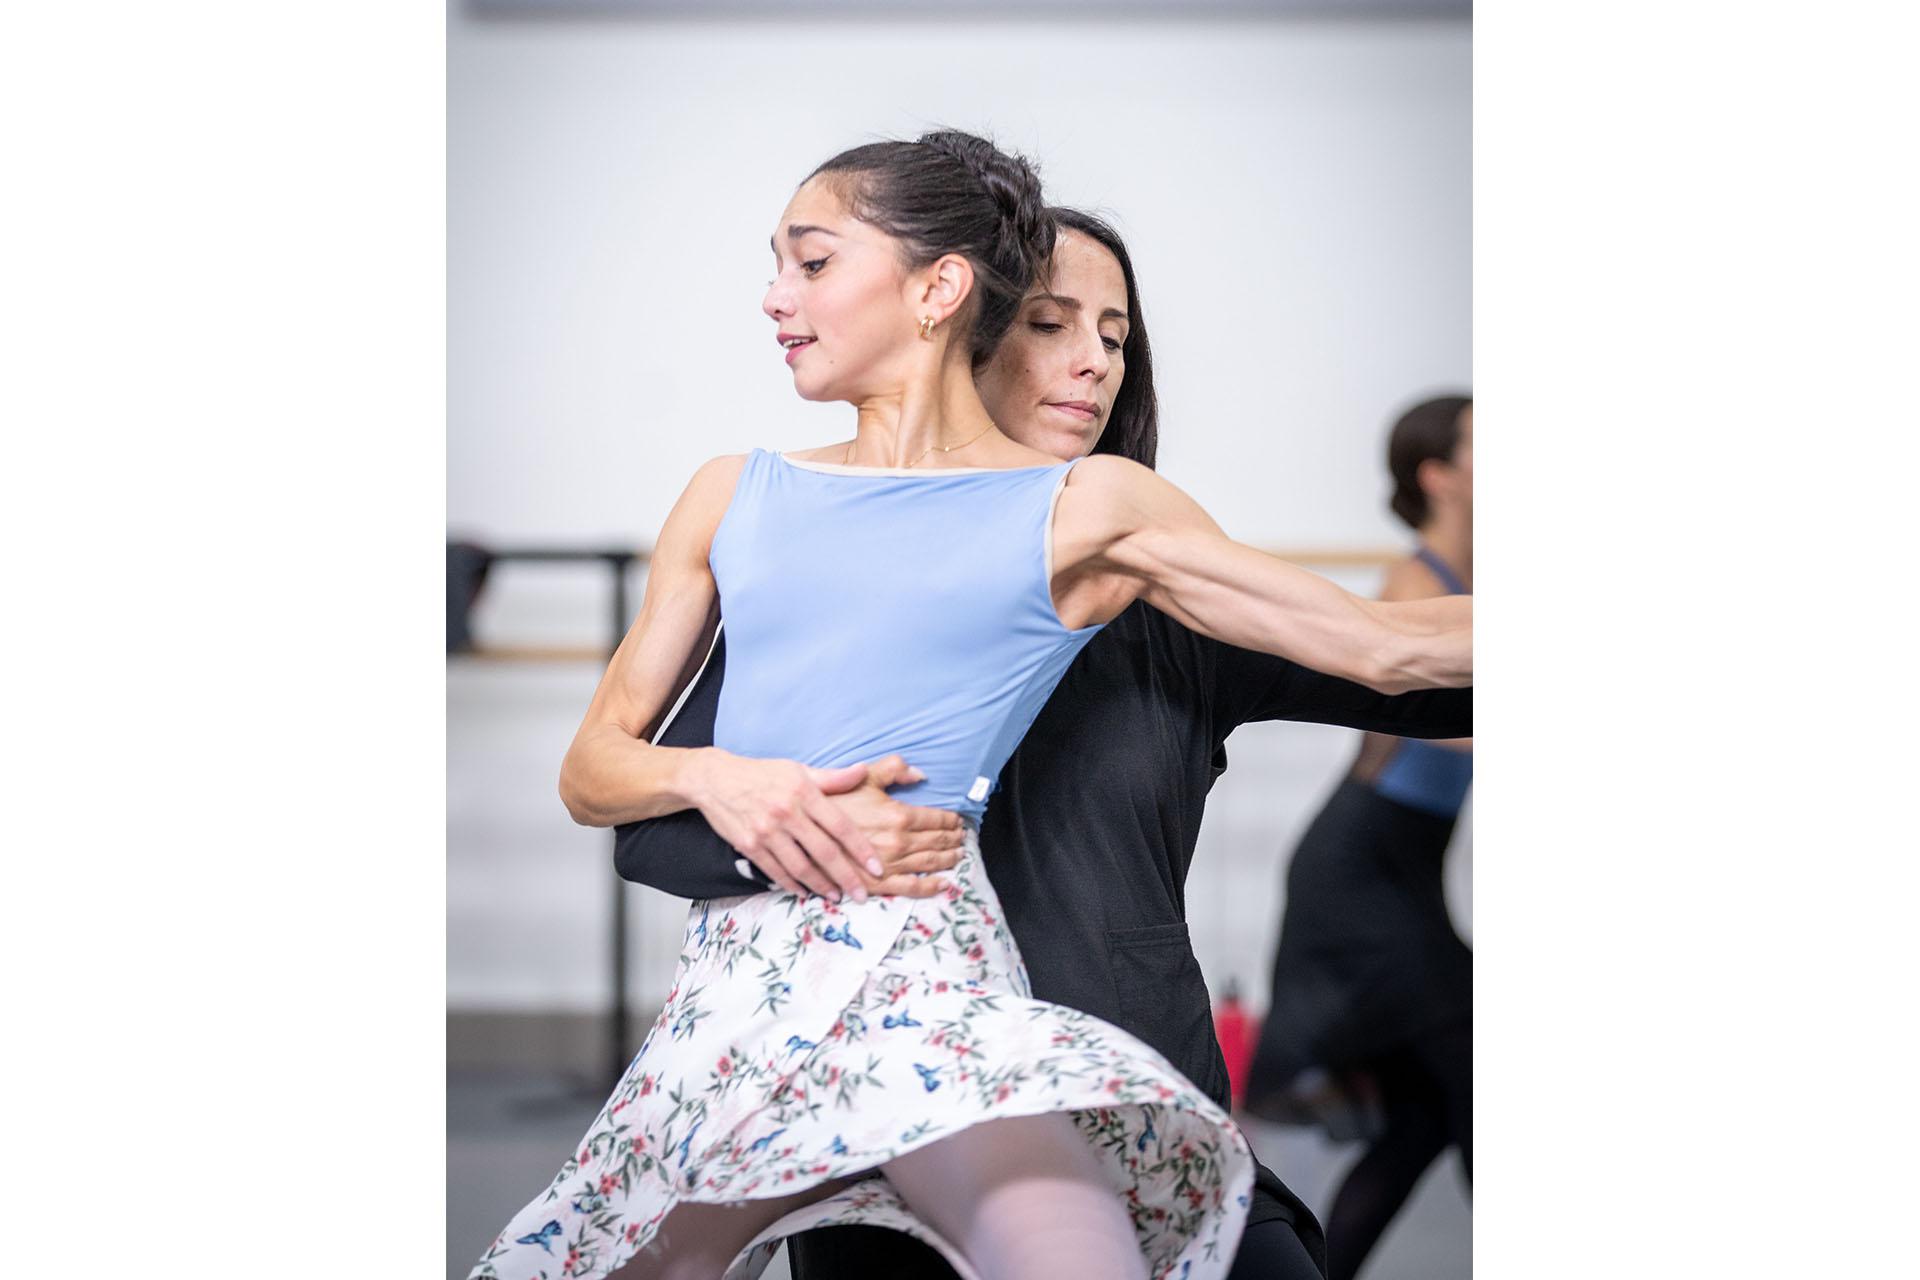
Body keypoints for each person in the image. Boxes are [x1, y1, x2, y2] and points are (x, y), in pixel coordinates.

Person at [471, 132, 1470, 1280]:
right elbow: (599, 770)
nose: (1091, 361)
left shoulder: (1094, 520)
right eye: (1051, 321)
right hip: (738, 1003)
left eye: (809, 264)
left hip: (932, 992)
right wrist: (732, 781)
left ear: (935, 291)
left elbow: (1388, 648)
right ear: (981, 310)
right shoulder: (734, 494)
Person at [1244, 395, 1474, 1280]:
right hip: (1359, 876)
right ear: (1439, 477)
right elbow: (1433, 722)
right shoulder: (1417, 585)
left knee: (1421, 1117)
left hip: (1407, 875)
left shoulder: (1476, 581)